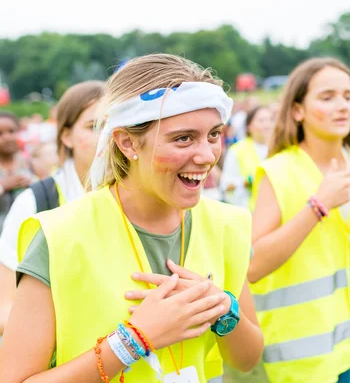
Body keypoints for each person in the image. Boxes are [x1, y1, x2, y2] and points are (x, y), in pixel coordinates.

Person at [0, 54, 263, 383]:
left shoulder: (229, 224)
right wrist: (135, 340)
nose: (207, 155)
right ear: (127, 142)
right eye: (183, 138)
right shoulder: (61, 235)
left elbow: (247, 359)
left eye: (213, 135)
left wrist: (223, 309)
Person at [249, 58, 350, 383]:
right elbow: (253, 265)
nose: (343, 106)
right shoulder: (278, 172)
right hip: (304, 347)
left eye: (348, 96)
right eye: (327, 97)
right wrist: (317, 207)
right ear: (297, 111)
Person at [0, 80, 104, 336]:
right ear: (66, 136)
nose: (107, 136)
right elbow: (5, 305)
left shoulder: (147, 198)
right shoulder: (35, 201)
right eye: (94, 126)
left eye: (117, 124)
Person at [220, 106, 274, 209]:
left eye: (270, 120)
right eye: (261, 121)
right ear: (249, 126)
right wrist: (248, 181)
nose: (267, 125)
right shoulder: (237, 150)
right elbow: (226, 185)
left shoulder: (280, 148)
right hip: (248, 213)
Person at [0, 111, 35, 233]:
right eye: (0, 134)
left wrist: (35, 185)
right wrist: (3, 185)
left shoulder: (31, 164)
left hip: (25, 235)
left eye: (11, 131)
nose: (7, 137)